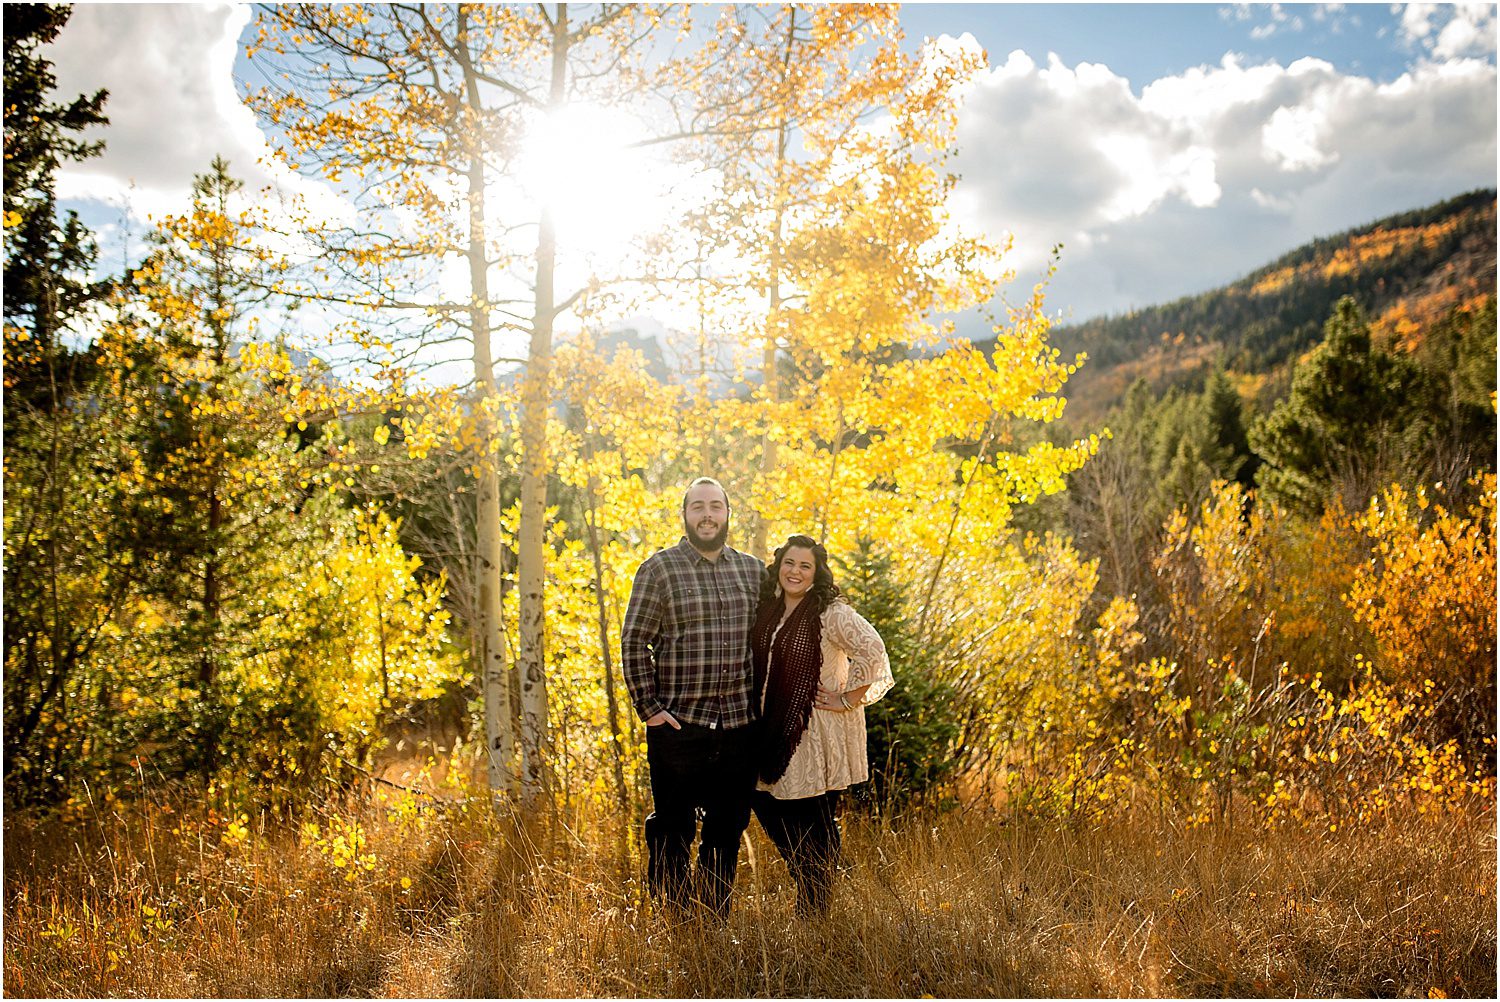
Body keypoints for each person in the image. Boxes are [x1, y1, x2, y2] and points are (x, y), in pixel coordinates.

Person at [620, 477, 766, 918]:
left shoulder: (753, 571)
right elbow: (633, 641)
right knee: (672, 828)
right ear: (684, 515)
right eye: (698, 506)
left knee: (727, 827)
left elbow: (787, 617)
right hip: (679, 727)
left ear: (727, 513)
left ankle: (713, 917)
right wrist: (650, 709)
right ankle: (672, 918)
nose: (708, 515)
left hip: (740, 727)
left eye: (716, 506)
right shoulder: (659, 569)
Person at [750, 534, 893, 917]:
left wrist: (848, 697)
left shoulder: (831, 612)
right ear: (779, 566)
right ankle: (813, 881)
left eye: (804, 566)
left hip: (813, 730)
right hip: (769, 725)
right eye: (789, 563)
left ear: (816, 574)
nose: (795, 572)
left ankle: (815, 903)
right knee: (763, 799)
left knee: (813, 816)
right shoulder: (768, 608)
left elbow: (872, 648)